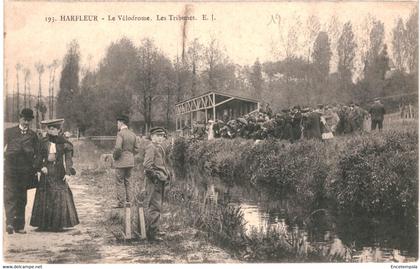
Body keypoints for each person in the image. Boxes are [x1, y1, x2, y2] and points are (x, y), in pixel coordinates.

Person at [30, 119, 79, 232]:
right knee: (44, 195)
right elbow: (37, 157)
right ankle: (43, 224)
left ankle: (59, 224)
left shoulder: (64, 142)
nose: (51, 131)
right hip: (46, 171)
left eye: (54, 129)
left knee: (59, 195)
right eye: (49, 129)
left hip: (59, 171)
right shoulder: (42, 142)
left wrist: (67, 172)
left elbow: (68, 159)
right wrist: (41, 167)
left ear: (58, 130)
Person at [4, 108, 40, 234]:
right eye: (25, 120)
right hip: (10, 169)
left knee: (21, 197)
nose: (26, 123)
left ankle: (19, 226)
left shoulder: (33, 135)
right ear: (20, 118)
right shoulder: (9, 132)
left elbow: (38, 153)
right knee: (9, 196)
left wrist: (35, 167)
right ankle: (9, 223)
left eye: (29, 120)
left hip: (25, 171)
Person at [143, 127, 172, 242]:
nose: (161, 138)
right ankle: (152, 234)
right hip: (155, 182)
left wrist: (167, 174)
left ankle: (155, 228)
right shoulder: (151, 147)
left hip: (161, 180)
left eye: (162, 136)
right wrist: (155, 176)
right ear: (152, 136)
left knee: (158, 206)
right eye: (158, 135)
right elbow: (147, 165)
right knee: (154, 207)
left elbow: (161, 164)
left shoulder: (158, 147)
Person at [112, 114, 140, 207]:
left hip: (121, 162)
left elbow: (118, 148)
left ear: (121, 122)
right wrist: (130, 155)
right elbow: (137, 149)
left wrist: (115, 157)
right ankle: (129, 202)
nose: (117, 125)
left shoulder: (120, 134)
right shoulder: (133, 134)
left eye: (117, 123)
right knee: (128, 181)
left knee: (119, 182)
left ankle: (121, 203)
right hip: (130, 162)